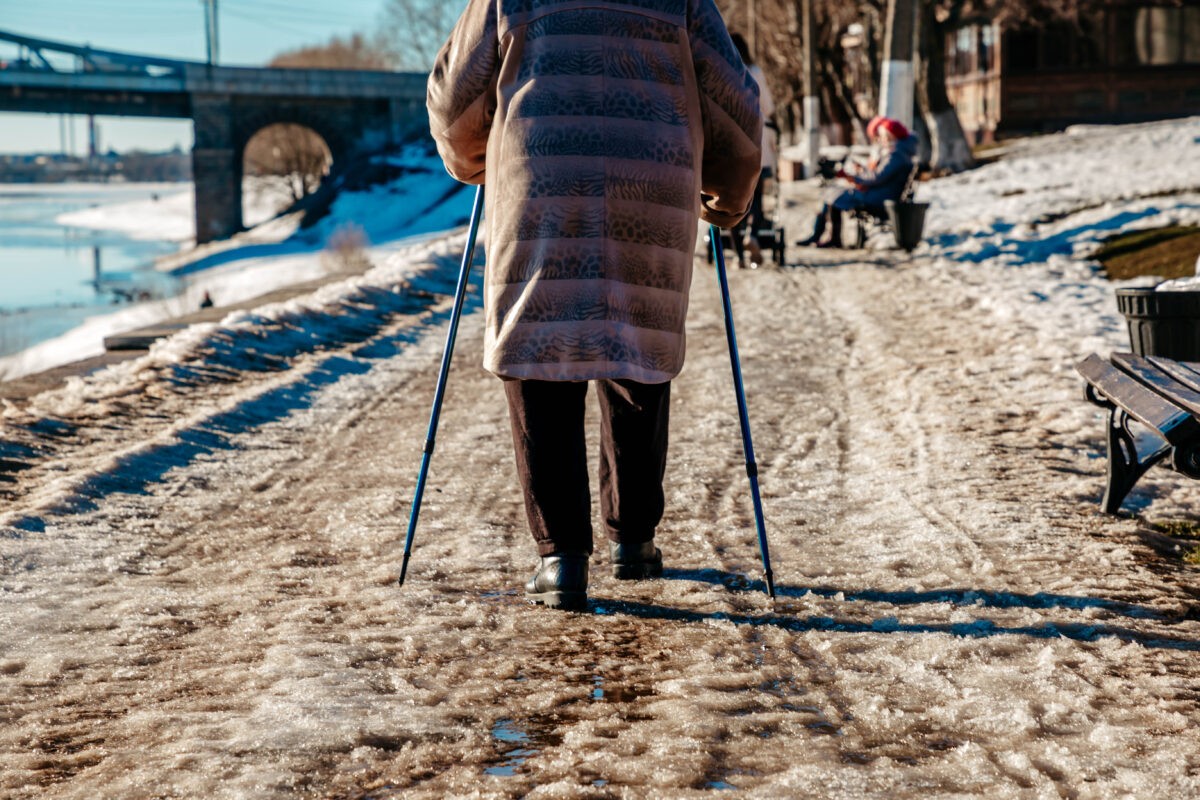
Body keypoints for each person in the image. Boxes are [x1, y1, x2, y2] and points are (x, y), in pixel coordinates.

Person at [427, 0, 762, 610]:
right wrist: (727, 193)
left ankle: (561, 559)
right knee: (638, 346)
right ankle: (633, 539)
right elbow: (732, 98)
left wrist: (474, 159)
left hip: (541, 181)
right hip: (652, 182)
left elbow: (455, 98)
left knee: (539, 353)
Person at [798, 115, 918, 248]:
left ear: (892, 136)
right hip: (879, 193)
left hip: (879, 197)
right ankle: (826, 236)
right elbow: (878, 175)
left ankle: (828, 237)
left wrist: (853, 177)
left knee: (834, 195)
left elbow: (876, 177)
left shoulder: (896, 155)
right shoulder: (897, 153)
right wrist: (860, 172)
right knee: (832, 194)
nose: (881, 139)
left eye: (884, 136)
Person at [729, 33, 776, 269]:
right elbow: (767, 106)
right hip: (757, 141)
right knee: (755, 196)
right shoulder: (755, 71)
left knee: (732, 201)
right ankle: (753, 235)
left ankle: (738, 256)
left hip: (729, 143)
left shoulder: (723, 70)